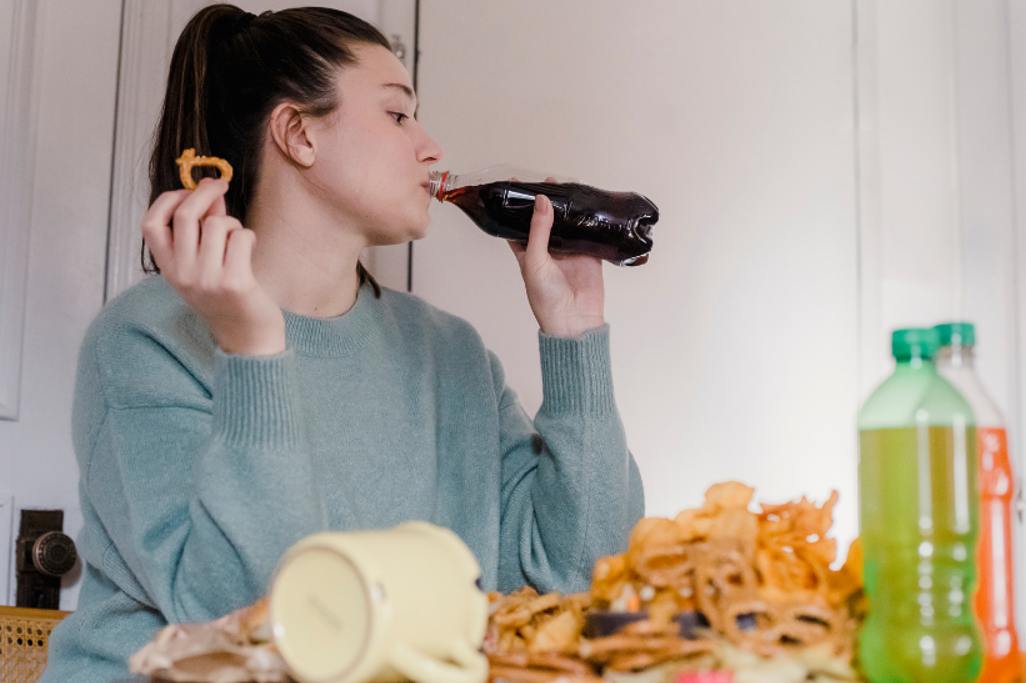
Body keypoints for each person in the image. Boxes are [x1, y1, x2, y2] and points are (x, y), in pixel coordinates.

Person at [41, 5, 644, 681]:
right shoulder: (147, 339)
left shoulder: (449, 354)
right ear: (298, 133)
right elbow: (256, 623)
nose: (430, 147)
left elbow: (582, 575)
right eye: (397, 114)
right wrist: (254, 348)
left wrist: (575, 337)